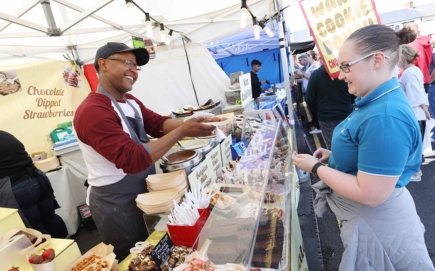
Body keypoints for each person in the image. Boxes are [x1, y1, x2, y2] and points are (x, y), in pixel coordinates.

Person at [292, 25, 434, 270]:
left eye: (346, 66)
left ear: (377, 60)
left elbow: (371, 194)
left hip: (378, 225)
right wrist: (334, 157)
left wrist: (315, 167)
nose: (341, 74)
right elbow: (368, 155)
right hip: (372, 222)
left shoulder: (384, 116)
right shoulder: (373, 102)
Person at [73, 42, 215, 260]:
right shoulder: (92, 111)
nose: (133, 70)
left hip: (144, 188)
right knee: (134, 258)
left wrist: (192, 124)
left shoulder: (129, 101)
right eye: (128, 63)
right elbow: (133, 159)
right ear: (103, 64)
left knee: (156, 249)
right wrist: (183, 131)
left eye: (136, 66)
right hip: (115, 202)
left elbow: (157, 123)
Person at [0, 130, 68, 238]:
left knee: (34, 230)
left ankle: (55, 252)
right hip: (37, 178)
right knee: (50, 218)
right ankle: (67, 246)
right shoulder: (4, 135)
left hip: (17, 187)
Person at [304, 61, 354, 149]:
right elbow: (354, 93)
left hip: (325, 115)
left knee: (332, 145)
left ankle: (336, 161)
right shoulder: (345, 72)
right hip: (345, 113)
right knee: (349, 142)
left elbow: (309, 98)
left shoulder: (316, 74)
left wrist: (317, 110)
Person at [399, 44, 431, 181]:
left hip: (414, 113)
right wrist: (425, 108)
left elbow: (415, 94)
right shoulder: (414, 70)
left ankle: (415, 172)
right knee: (415, 143)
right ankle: (416, 171)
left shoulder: (408, 73)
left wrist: (424, 107)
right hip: (417, 113)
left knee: (413, 144)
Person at [297, 50, 322, 134]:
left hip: (312, 91)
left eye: (307, 56)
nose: (306, 58)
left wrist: (303, 75)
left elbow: (313, 79)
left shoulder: (314, 65)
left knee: (314, 109)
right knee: (312, 109)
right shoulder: (310, 65)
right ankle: (316, 124)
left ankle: (319, 127)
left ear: (310, 56)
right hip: (308, 90)